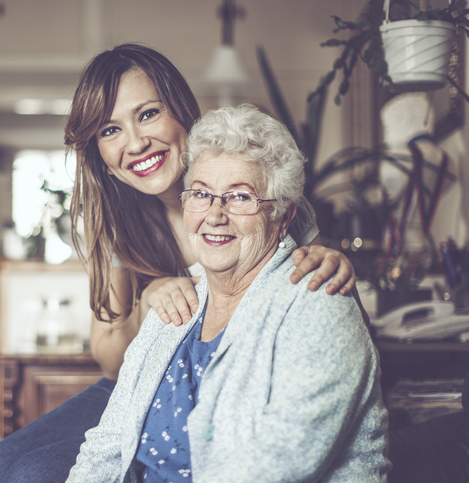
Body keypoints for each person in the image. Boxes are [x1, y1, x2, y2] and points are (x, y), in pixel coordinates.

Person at [0, 44, 360, 483]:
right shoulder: (116, 220)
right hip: (136, 384)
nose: (135, 142)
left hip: (226, 374)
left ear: (181, 111)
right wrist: (148, 303)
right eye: (110, 130)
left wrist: (330, 261)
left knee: (32, 474)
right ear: (102, 158)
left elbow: (334, 313)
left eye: (147, 114)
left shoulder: (259, 193)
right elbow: (109, 356)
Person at [67, 104, 390, 482]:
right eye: (201, 194)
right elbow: (108, 443)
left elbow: (275, 465)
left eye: (239, 197)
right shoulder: (172, 309)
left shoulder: (317, 299)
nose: (215, 214)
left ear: (284, 215)